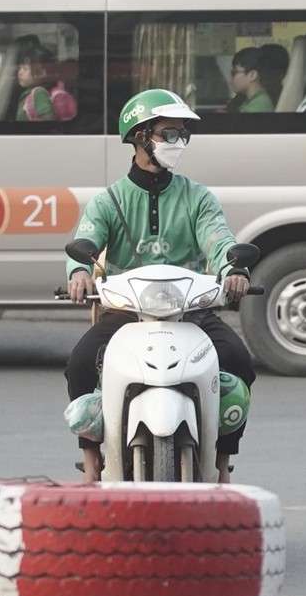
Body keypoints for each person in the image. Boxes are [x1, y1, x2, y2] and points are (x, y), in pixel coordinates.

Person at [63, 89, 258, 483]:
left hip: (192, 312)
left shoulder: (198, 197)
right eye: (169, 134)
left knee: (239, 362)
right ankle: (90, 461)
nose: (178, 143)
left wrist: (233, 269)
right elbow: (85, 243)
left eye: (182, 135)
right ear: (139, 136)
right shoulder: (109, 201)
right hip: (126, 313)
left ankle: (222, 464)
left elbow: (218, 239)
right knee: (80, 364)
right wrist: (79, 273)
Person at [14, 39, 77, 122]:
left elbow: (49, 120)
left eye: (25, 69)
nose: (20, 72)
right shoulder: (31, 93)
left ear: (42, 73)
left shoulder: (38, 93)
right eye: (20, 68)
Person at [223, 47, 277, 113]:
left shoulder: (256, 108)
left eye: (234, 73)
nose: (231, 79)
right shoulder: (253, 101)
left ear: (252, 75)